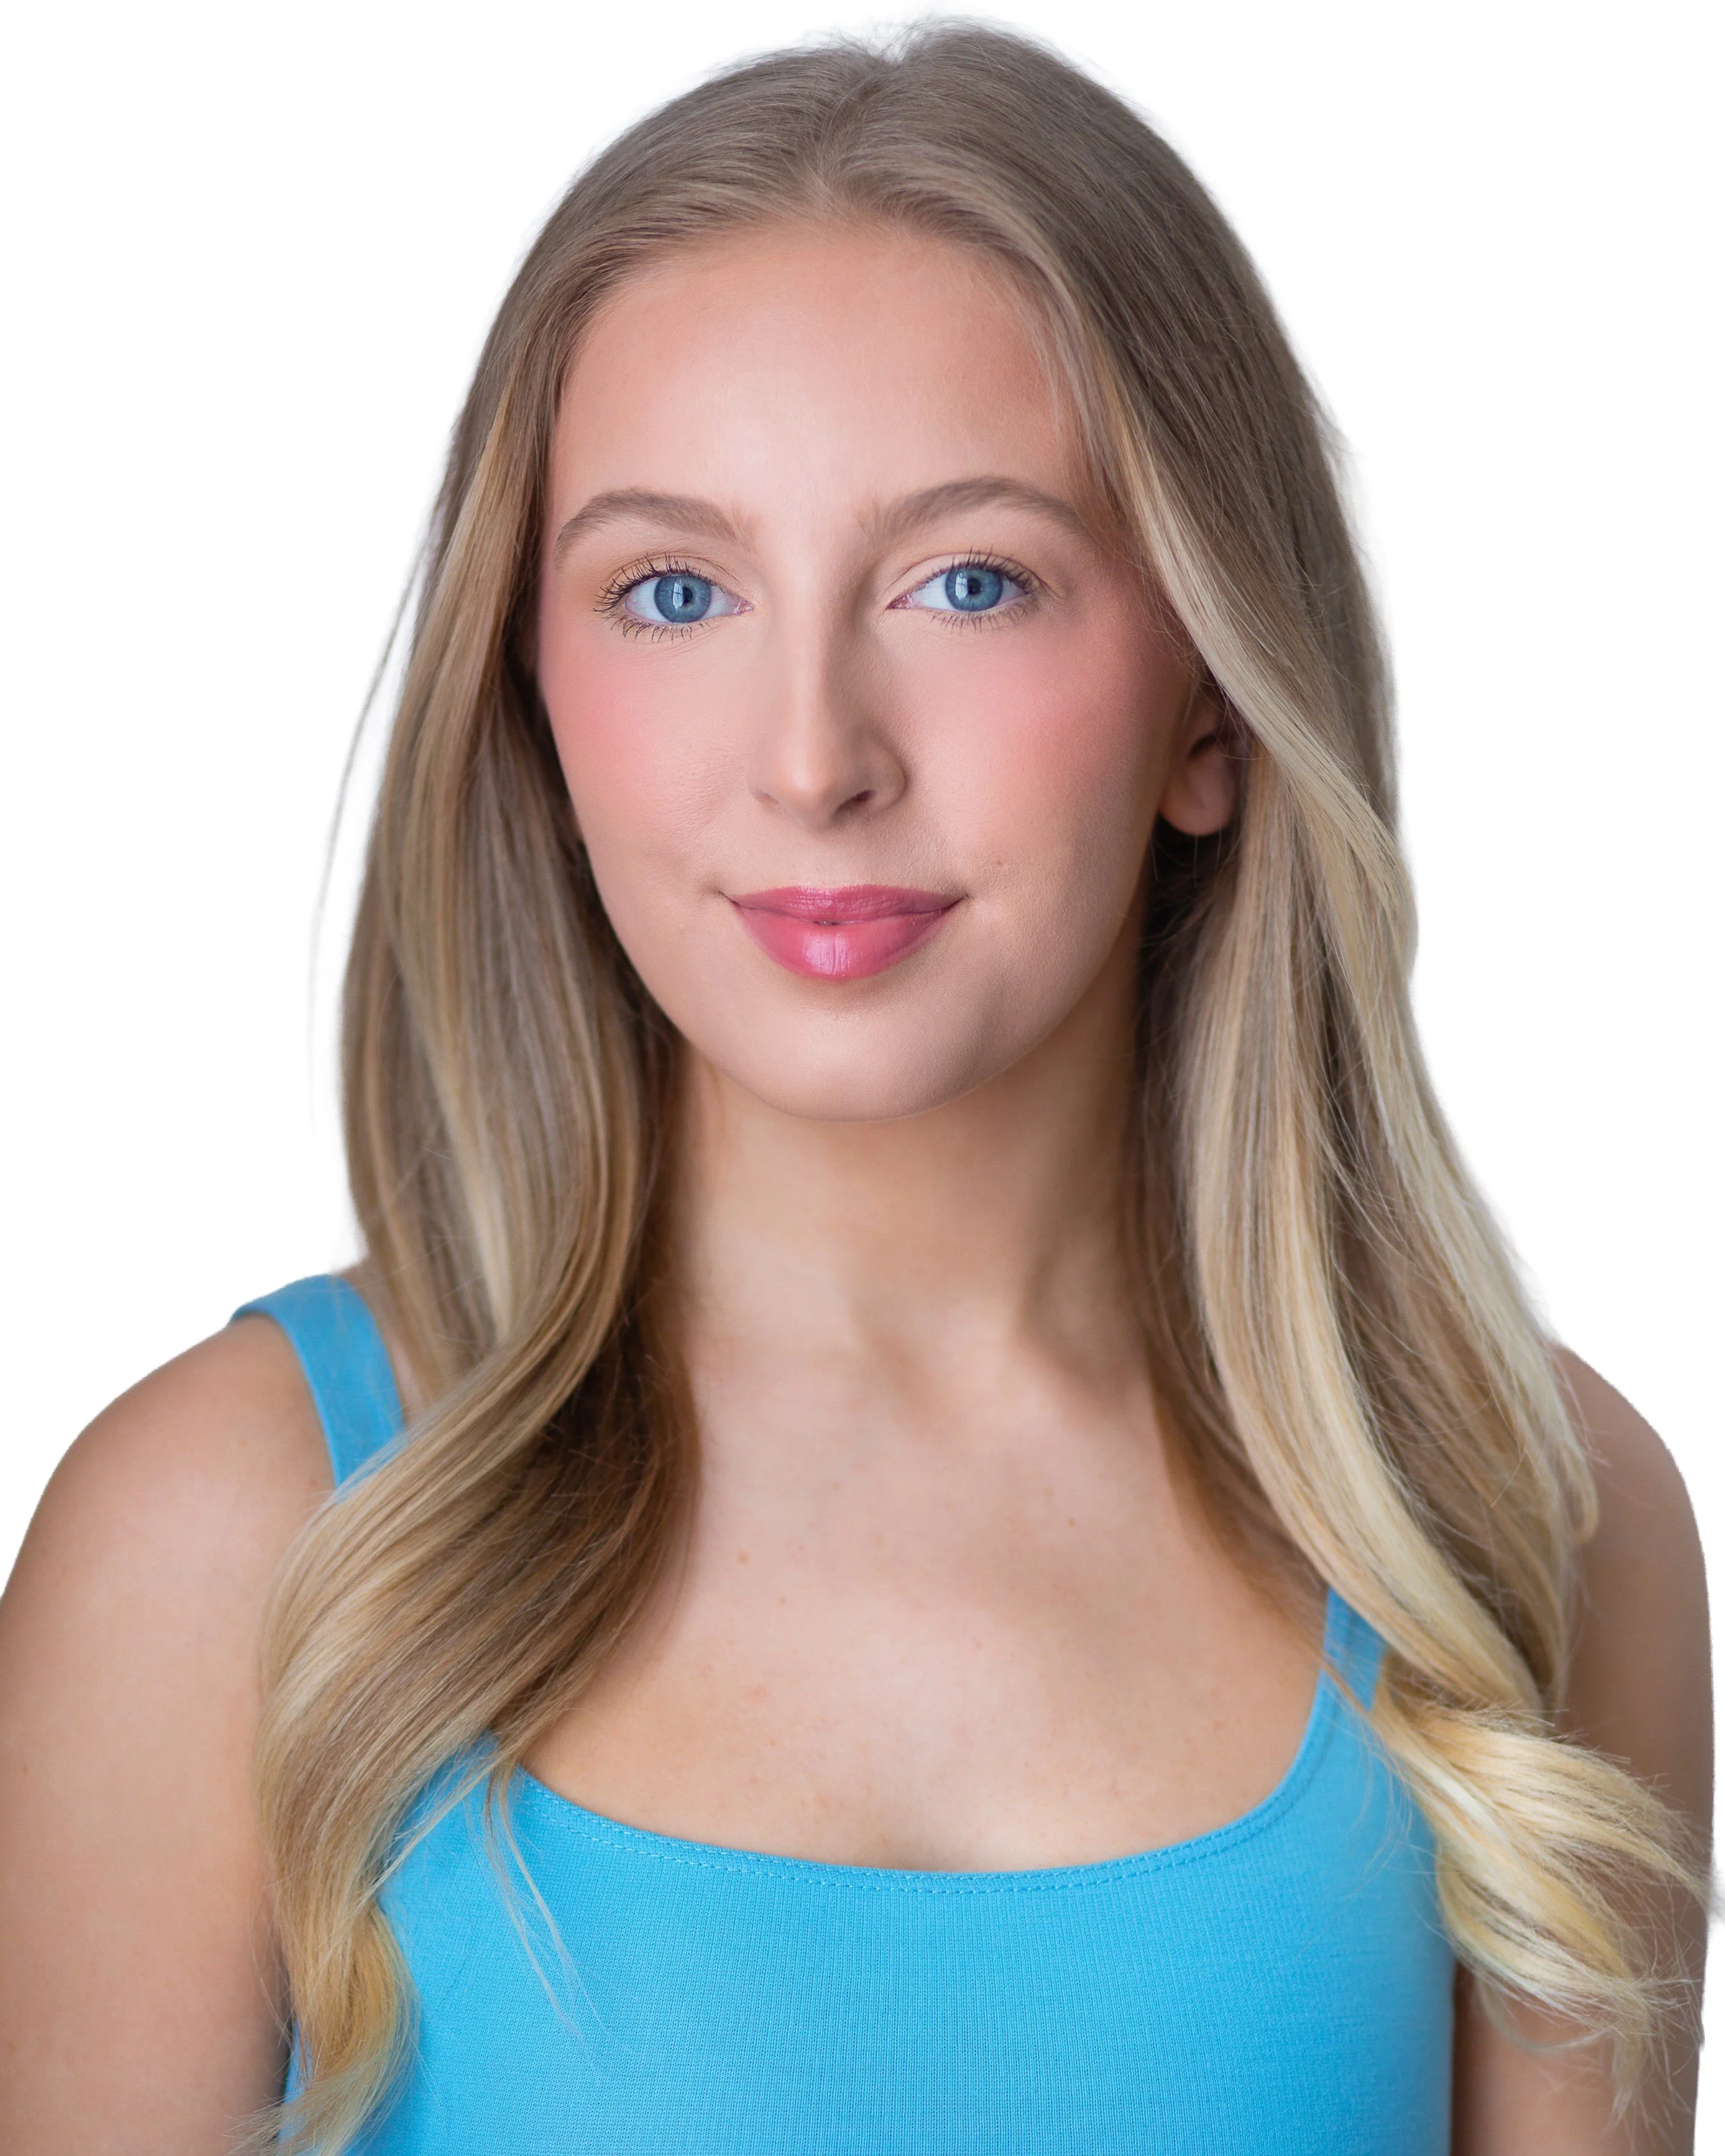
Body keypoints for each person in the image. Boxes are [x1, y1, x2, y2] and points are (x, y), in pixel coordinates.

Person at [0, 24, 1710, 2156]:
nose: (815, 757)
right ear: (531, 701)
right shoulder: (224, 1539)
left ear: (1211, 700)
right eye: (672, 592)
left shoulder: (1523, 1510)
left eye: (970, 582)